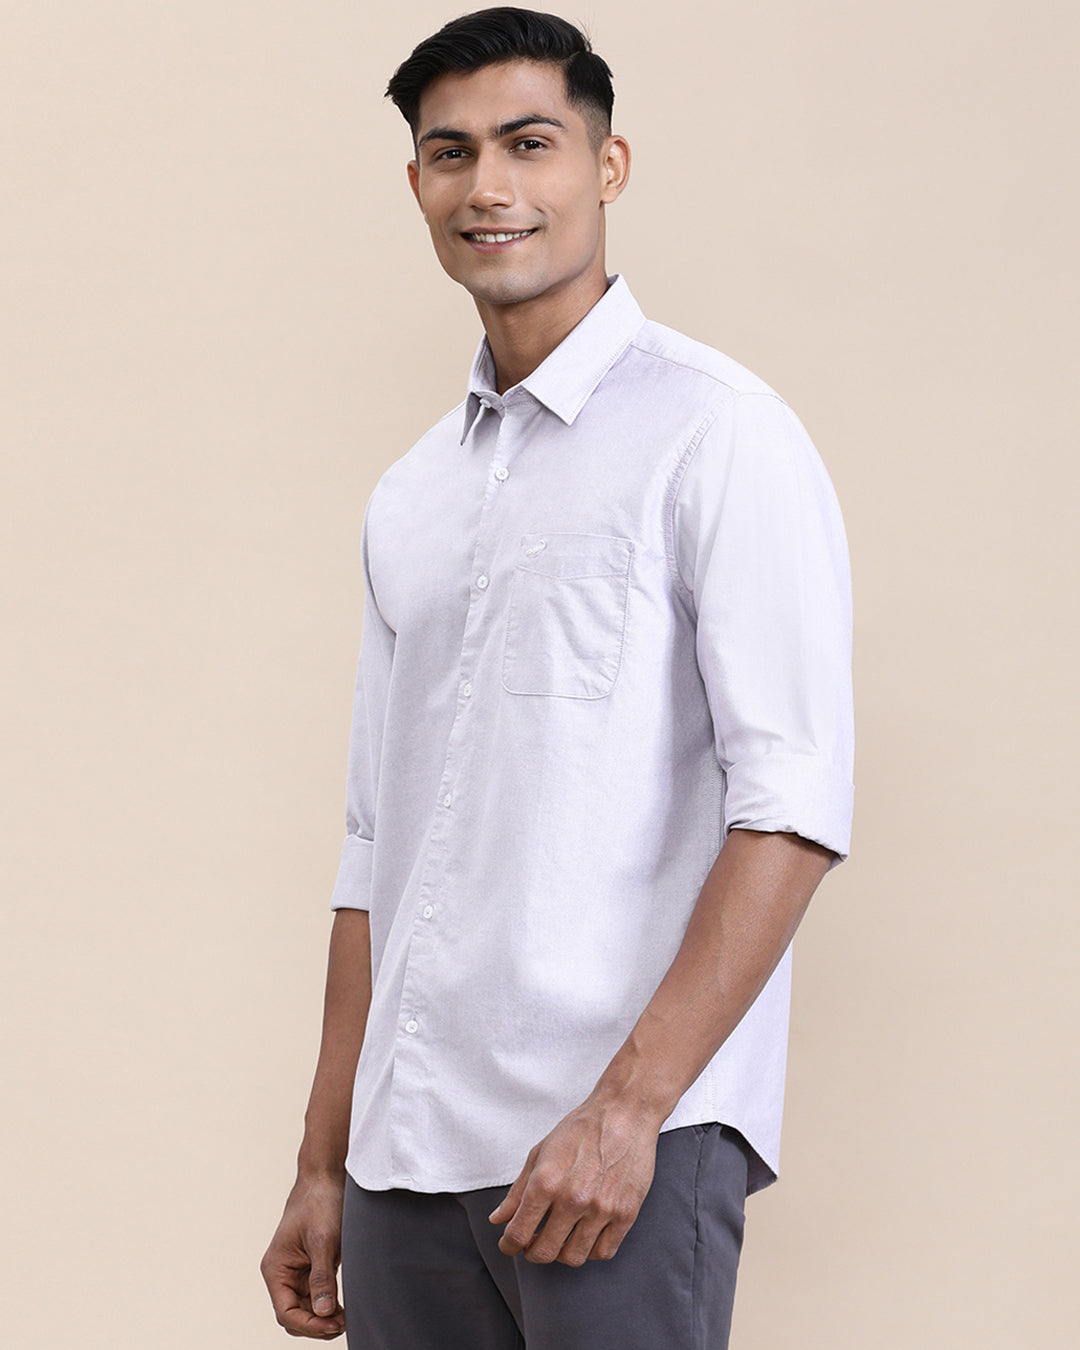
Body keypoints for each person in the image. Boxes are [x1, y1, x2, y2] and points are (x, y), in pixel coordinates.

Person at [261, 8, 855, 1347]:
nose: (490, 186)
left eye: (529, 143)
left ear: (608, 165)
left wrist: (631, 1108)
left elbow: (793, 802)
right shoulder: (413, 494)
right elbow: (374, 849)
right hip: (405, 1158)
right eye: (452, 152)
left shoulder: (718, 433)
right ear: (417, 182)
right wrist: (323, 1158)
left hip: (616, 1144)